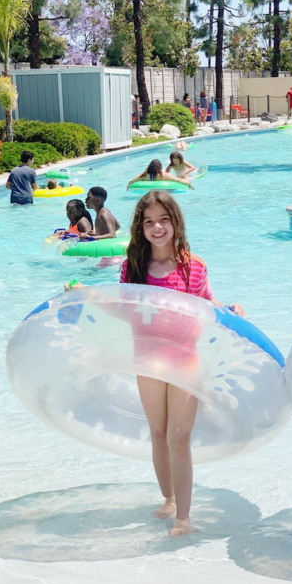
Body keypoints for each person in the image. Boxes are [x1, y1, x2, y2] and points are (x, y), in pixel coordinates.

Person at [68, 191, 244, 536]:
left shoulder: (193, 266)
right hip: (147, 360)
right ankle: (169, 499)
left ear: (175, 222)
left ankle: (184, 518)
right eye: (149, 221)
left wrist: (232, 313)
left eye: (164, 219)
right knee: (159, 434)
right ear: (140, 227)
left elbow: (206, 303)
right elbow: (123, 307)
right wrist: (87, 293)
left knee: (180, 437)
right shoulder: (133, 266)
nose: (157, 227)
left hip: (185, 359)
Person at [127, 159, 194, 191]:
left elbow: (131, 181)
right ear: (160, 167)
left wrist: (128, 187)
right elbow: (179, 180)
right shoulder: (163, 175)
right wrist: (187, 180)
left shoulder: (144, 176)